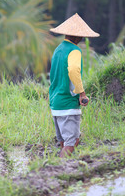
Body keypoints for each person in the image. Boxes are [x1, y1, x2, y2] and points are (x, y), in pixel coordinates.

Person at [49, 13, 100, 158]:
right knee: (70, 144)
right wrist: (82, 93)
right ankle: (57, 171)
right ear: (78, 37)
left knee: (67, 141)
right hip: (68, 103)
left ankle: (62, 169)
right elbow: (73, 70)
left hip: (56, 102)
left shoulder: (58, 49)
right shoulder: (74, 51)